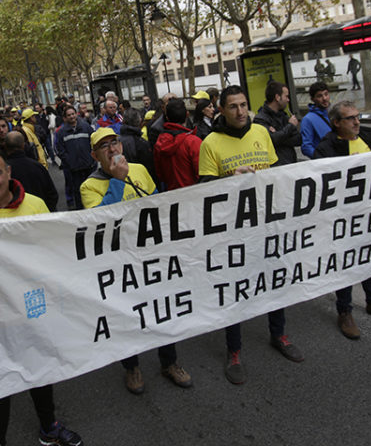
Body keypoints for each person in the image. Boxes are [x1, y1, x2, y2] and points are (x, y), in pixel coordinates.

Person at [0, 150, 83, 446]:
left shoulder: (35, 205)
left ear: (8, 173)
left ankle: (49, 427)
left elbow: (54, 252)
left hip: (33, 309)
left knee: (41, 371)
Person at [198, 85, 303, 385]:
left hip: (266, 223)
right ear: (221, 109)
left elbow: (275, 173)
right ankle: (234, 351)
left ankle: (279, 334)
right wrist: (228, 180)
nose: (240, 111)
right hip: (232, 231)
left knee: (274, 280)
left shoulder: (260, 133)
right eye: (233, 106)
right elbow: (203, 190)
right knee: (234, 290)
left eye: (244, 104)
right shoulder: (210, 143)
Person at [83, 127, 191, 394]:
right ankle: (131, 367)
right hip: (120, 263)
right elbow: (100, 225)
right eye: (104, 146)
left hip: (150, 256)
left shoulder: (140, 170)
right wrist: (118, 181)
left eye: (115, 143)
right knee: (126, 315)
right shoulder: (89, 186)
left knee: (163, 310)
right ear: (95, 155)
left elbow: (157, 206)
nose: (112, 149)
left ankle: (169, 362)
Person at [313, 101, 371, 339]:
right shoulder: (326, 148)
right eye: (350, 118)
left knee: (369, 256)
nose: (356, 122)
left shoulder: (368, 139)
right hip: (343, 218)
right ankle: (344, 310)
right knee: (345, 262)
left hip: (369, 213)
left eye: (357, 117)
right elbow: (324, 185)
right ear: (336, 123)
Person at [153, 98, 201, 191]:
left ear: (167, 117)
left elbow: (160, 174)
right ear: (187, 114)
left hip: (172, 193)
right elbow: (202, 173)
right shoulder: (193, 142)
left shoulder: (159, 143)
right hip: (194, 193)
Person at [3, 131, 58, 211]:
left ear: (5, 146)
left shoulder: (3, 171)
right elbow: (52, 194)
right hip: (40, 212)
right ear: (24, 145)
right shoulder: (37, 167)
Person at [55, 104, 95, 210]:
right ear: (65, 118)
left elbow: (94, 142)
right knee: (77, 191)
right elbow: (59, 149)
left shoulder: (86, 127)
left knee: (91, 188)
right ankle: (80, 210)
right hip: (74, 169)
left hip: (88, 165)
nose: (72, 116)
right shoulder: (61, 132)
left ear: (76, 114)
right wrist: (69, 161)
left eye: (73, 114)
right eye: (69, 115)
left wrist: (92, 159)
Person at [253, 80, 300, 166]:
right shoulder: (260, 119)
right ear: (278, 97)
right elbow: (272, 140)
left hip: (291, 164)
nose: (288, 100)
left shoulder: (284, 116)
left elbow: (298, 139)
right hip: (275, 167)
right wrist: (290, 126)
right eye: (286, 96)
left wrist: (279, 136)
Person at [117, 108, 157, 185]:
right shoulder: (141, 143)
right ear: (139, 121)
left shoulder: (116, 142)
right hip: (140, 182)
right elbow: (149, 168)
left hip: (122, 181)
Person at [299, 82, 332, 159]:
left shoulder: (334, 113)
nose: (324, 98)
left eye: (326, 94)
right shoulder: (308, 119)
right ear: (312, 99)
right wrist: (321, 158)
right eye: (320, 96)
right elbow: (306, 147)